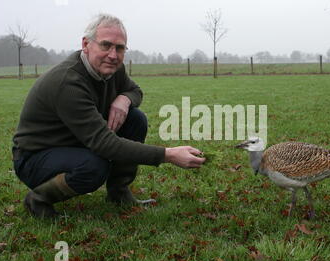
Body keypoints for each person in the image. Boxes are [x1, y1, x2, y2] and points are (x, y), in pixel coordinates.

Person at [12, 14, 205, 218]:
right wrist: (168, 154)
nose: (113, 55)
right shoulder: (68, 82)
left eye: (120, 48)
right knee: (93, 166)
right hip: (35, 157)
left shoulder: (114, 69)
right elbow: (105, 144)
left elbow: (135, 91)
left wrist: (124, 99)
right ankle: (38, 200)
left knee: (136, 119)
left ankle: (118, 193)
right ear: (86, 44)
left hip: (72, 143)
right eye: (106, 45)